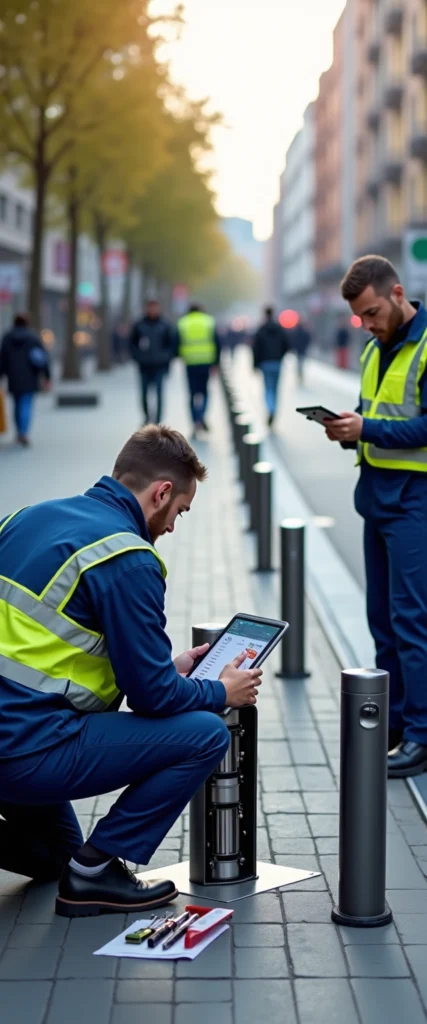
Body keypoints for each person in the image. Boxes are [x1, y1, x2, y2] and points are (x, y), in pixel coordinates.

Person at [0, 424, 262, 917]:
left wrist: (169, 669)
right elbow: (154, 700)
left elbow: (50, 644)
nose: (172, 526)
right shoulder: (126, 557)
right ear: (161, 492)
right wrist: (220, 691)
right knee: (206, 733)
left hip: (14, 729)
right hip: (26, 748)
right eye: (180, 510)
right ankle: (95, 873)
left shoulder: (24, 517)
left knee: (56, 855)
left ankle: (76, 867)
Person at [325, 255, 427, 778]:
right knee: (383, 622)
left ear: (397, 292)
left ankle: (421, 734)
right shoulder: (372, 349)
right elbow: (378, 420)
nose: (367, 323)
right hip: (377, 497)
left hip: (415, 500)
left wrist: (366, 430)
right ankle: (393, 725)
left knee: (412, 621)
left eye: (371, 312)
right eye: (360, 316)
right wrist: (350, 433)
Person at [0, 313, 50, 446]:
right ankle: (24, 432)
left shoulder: (7, 338)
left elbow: (2, 360)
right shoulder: (33, 338)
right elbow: (42, 359)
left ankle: (19, 432)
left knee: (16, 404)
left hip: (13, 377)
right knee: (26, 404)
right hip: (30, 378)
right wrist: (47, 376)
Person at [129, 300, 176, 424]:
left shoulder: (165, 325)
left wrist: (166, 358)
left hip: (160, 365)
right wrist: (137, 356)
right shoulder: (139, 325)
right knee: (144, 394)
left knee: (159, 394)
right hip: (144, 365)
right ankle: (146, 417)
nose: (152, 310)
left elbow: (171, 345)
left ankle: (158, 420)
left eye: (155, 307)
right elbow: (132, 343)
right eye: (150, 307)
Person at [177, 303, 220, 436]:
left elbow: (177, 342)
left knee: (192, 393)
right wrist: (216, 362)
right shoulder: (209, 321)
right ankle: (201, 416)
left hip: (190, 362)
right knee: (205, 392)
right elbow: (217, 342)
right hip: (206, 361)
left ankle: (195, 420)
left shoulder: (183, 323)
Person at [253, 306, 289, 426]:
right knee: (275, 389)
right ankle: (273, 410)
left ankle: (270, 408)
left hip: (265, 363)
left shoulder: (261, 329)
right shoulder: (280, 329)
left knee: (268, 389)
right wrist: (280, 356)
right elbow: (287, 345)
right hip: (277, 363)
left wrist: (255, 364)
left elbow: (255, 348)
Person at [290, 318, 312, 384]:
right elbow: (308, 340)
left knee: (299, 363)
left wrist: (293, 348)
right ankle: (300, 374)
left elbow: (293, 340)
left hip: (298, 350)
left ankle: (299, 374)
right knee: (301, 363)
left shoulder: (295, 332)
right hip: (303, 350)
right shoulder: (305, 332)